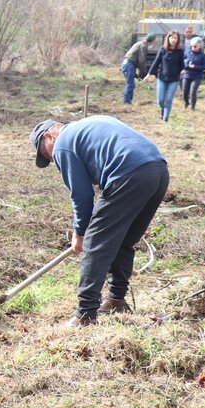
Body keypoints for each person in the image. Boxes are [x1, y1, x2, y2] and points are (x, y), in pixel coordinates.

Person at [30, 116, 169, 327]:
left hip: (128, 174)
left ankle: (85, 314)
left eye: (46, 154)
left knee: (95, 244)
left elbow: (82, 195)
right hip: (158, 171)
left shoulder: (62, 144)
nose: (51, 159)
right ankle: (116, 300)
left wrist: (80, 233)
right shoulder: (88, 125)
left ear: (49, 136)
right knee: (123, 240)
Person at [143, 29, 185, 121]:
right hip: (162, 78)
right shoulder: (162, 49)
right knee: (160, 100)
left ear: (178, 40)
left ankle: (165, 118)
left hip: (174, 79)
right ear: (168, 38)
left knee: (169, 99)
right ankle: (163, 108)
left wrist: (183, 70)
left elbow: (182, 64)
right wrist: (148, 75)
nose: (173, 40)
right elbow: (156, 63)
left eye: (175, 38)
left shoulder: (180, 51)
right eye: (172, 37)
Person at [121, 33, 155, 104]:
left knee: (131, 83)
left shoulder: (140, 43)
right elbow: (142, 61)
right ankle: (126, 101)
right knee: (130, 84)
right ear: (152, 41)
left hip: (127, 63)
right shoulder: (144, 45)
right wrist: (143, 74)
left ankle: (127, 100)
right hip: (129, 63)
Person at [182, 37, 205, 110]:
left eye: (195, 46)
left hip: (197, 76)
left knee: (192, 92)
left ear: (199, 47)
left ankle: (192, 108)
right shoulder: (187, 52)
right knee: (184, 92)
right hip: (187, 74)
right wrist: (186, 66)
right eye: (192, 46)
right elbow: (182, 62)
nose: (193, 48)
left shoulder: (203, 55)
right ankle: (187, 103)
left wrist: (195, 67)